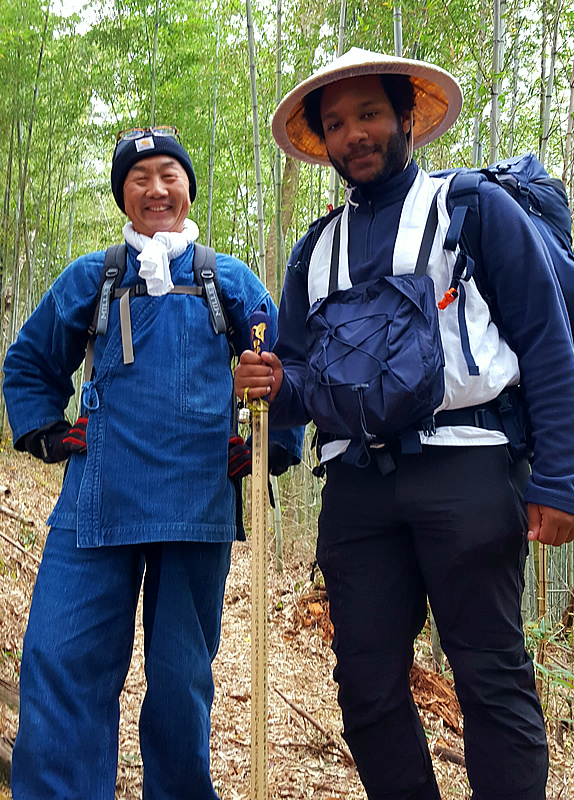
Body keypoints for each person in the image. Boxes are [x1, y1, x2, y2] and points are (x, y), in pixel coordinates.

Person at [234, 49, 574, 800]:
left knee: (490, 677)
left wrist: (564, 477)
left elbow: (544, 339)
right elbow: (305, 377)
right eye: (335, 124)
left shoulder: (472, 210)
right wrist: (275, 383)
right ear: (323, 141)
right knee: (365, 688)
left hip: (468, 467)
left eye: (367, 114)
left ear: (406, 117)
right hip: (358, 489)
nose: (353, 135)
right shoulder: (313, 250)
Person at [3, 125, 302, 800]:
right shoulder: (95, 276)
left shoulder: (229, 279)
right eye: (139, 178)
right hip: (95, 501)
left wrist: (270, 447)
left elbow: (287, 372)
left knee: (180, 679)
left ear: (188, 188)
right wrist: (46, 433)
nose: (156, 189)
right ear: (123, 196)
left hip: (197, 505)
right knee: (58, 657)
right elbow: (28, 363)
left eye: (169, 174)